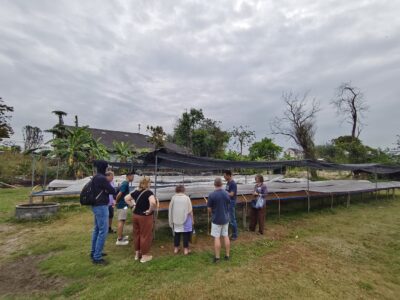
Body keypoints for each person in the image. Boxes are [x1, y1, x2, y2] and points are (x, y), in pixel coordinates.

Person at [124, 176, 157, 263]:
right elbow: (153, 202)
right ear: (147, 183)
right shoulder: (149, 193)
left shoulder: (136, 191)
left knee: (136, 234)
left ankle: (137, 254)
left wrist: (132, 206)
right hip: (145, 217)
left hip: (135, 215)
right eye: (150, 182)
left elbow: (126, 198)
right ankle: (144, 256)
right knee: (145, 236)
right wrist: (150, 210)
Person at [90, 160, 116, 265]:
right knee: (103, 231)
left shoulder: (96, 177)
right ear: (104, 168)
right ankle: (97, 257)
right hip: (101, 206)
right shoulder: (102, 178)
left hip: (96, 205)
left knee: (96, 229)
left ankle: (94, 252)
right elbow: (112, 190)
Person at [207, 177, 231, 263]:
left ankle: (217, 258)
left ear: (214, 184)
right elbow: (228, 203)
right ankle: (227, 255)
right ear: (222, 184)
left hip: (216, 219)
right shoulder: (226, 194)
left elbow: (209, 209)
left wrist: (213, 212)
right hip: (225, 218)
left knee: (217, 237)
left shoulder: (211, 195)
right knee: (226, 235)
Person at [168, 185, 194, 255]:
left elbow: (170, 209)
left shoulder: (173, 198)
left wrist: (171, 219)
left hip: (175, 219)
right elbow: (190, 210)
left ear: (176, 190)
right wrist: (192, 219)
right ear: (183, 190)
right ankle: (185, 249)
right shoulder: (186, 198)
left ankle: (176, 248)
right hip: (185, 219)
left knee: (177, 234)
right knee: (186, 234)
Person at [114, 171, 135, 246]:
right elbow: (120, 194)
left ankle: (121, 236)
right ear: (128, 176)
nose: (133, 177)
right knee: (121, 220)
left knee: (122, 220)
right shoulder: (125, 184)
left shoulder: (125, 183)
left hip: (124, 205)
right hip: (122, 205)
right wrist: (116, 201)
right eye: (132, 176)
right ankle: (119, 239)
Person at [223, 170, 238, 240]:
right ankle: (231, 233)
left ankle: (235, 235)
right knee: (229, 219)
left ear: (229, 175)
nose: (224, 177)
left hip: (231, 202)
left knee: (232, 219)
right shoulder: (228, 183)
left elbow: (231, 194)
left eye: (225, 175)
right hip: (228, 202)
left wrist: (223, 193)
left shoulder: (233, 183)